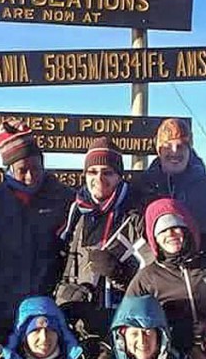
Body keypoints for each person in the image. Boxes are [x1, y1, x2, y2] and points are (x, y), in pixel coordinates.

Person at [55, 136, 150, 346]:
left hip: (125, 326)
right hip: (80, 325)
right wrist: (67, 295)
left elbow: (153, 272)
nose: (99, 178)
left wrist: (121, 274)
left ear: (119, 176)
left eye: (107, 172)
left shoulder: (136, 213)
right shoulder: (77, 211)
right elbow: (64, 265)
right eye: (92, 172)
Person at [0, 121, 73, 344]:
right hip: (2, 307)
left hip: (48, 308)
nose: (30, 176)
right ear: (8, 170)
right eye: (22, 170)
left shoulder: (63, 198)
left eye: (36, 168)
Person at [126, 198, 206, 359]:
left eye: (176, 227)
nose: (171, 234)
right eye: (162, 231)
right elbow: (127, 319)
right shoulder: (147, 277)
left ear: (187, 228)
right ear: (154, 238)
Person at [138, 118, 206, 239]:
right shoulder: (140, 190)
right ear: (159, 150)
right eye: (167, 146)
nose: (174, 151)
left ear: (189, 149)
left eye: (181, 146)